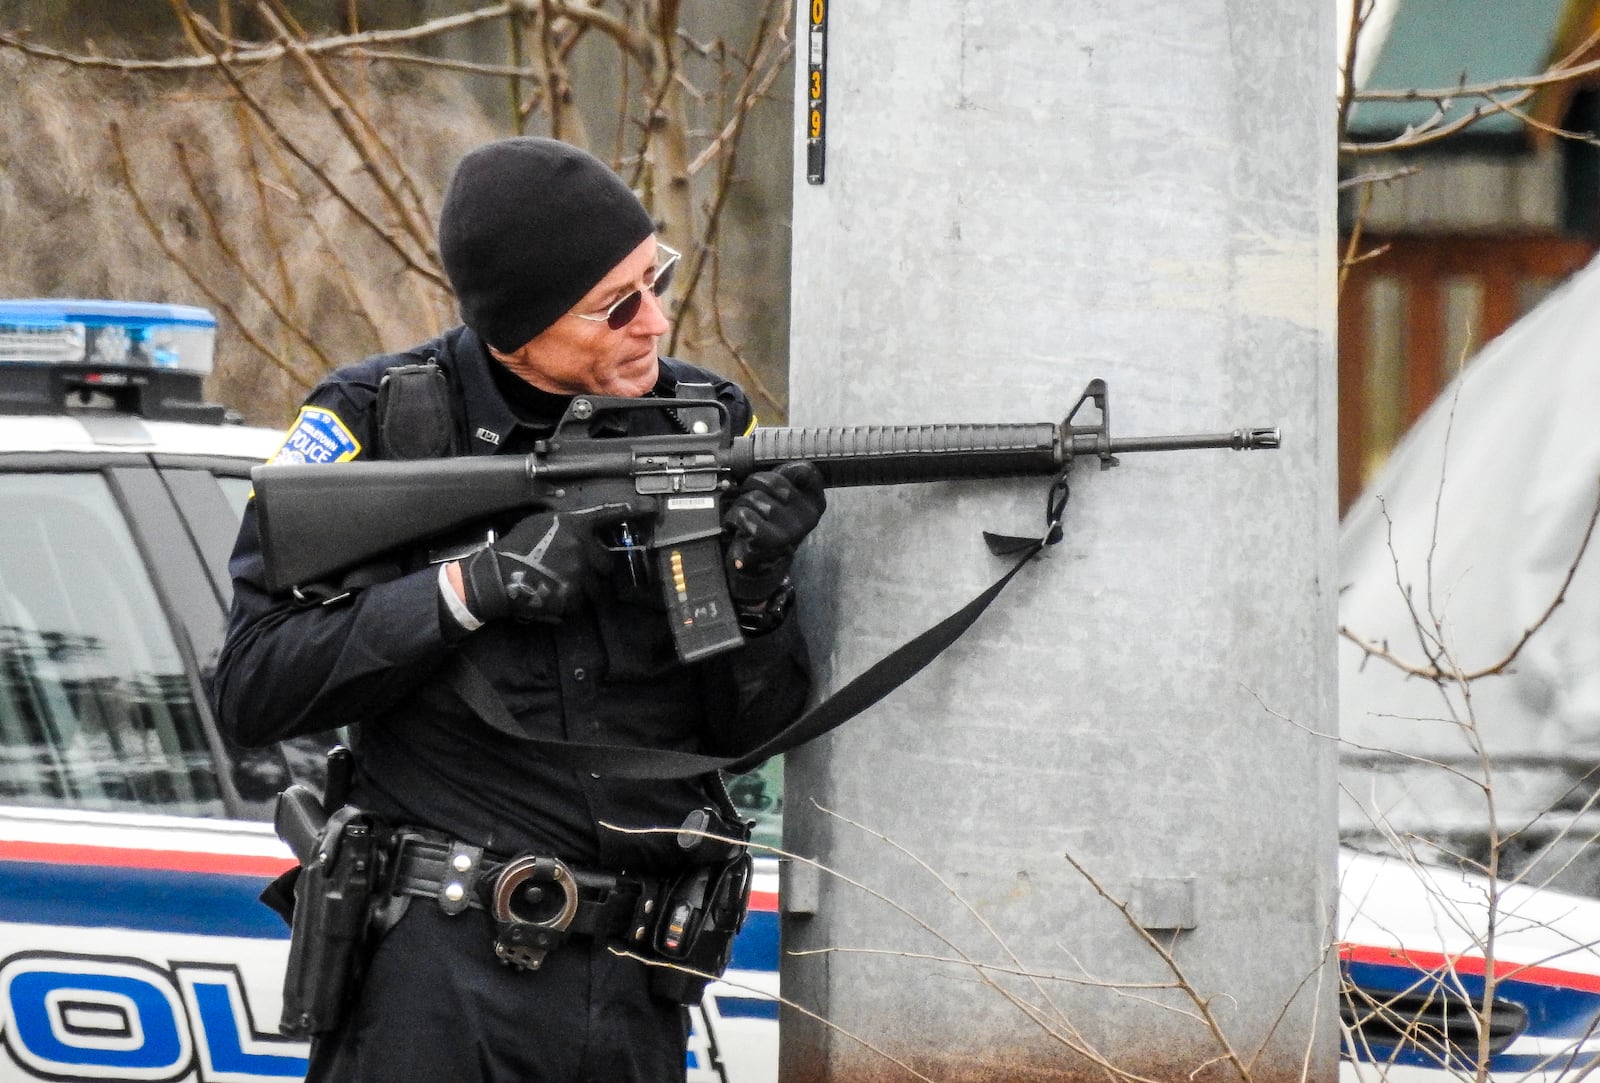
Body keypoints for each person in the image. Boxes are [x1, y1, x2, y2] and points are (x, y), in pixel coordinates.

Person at [211, 137, 826, 1083]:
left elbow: (748, 729)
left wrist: (754, 583)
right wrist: (469, 590)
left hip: (634, 983)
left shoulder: (702, 420)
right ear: (517, 327)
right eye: (616, 305)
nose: (654, 321)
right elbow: (254, 685)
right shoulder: (382, 423)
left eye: (654, 280)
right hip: (438, 983)